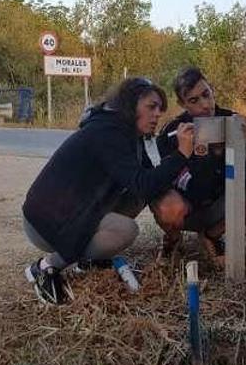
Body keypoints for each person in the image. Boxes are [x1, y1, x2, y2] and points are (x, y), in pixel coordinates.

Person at [21, 77, 195, 304]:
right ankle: (46, 267)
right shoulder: (108, 133)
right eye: (151, 107)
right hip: (46, 222)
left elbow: (147, 181)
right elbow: (144, 182)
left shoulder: (125, 132)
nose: (157, 114)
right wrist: (181, 154)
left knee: (137, 197)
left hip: (73, 210)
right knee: (126, 231)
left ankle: (89, 260)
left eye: (160, 109)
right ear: (130, 104)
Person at [154, 66, 246, 263]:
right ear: (183, 104)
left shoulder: (234, 120)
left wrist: (240, 145)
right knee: (168, 207)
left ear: (212, 90)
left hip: (219, 202)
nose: (205, 105)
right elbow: (193, 189)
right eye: (194, 100)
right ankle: (172, 241)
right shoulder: (173, 133)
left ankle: (212, 234)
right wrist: (204, 151)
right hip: (187, 207)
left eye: (206, 94)